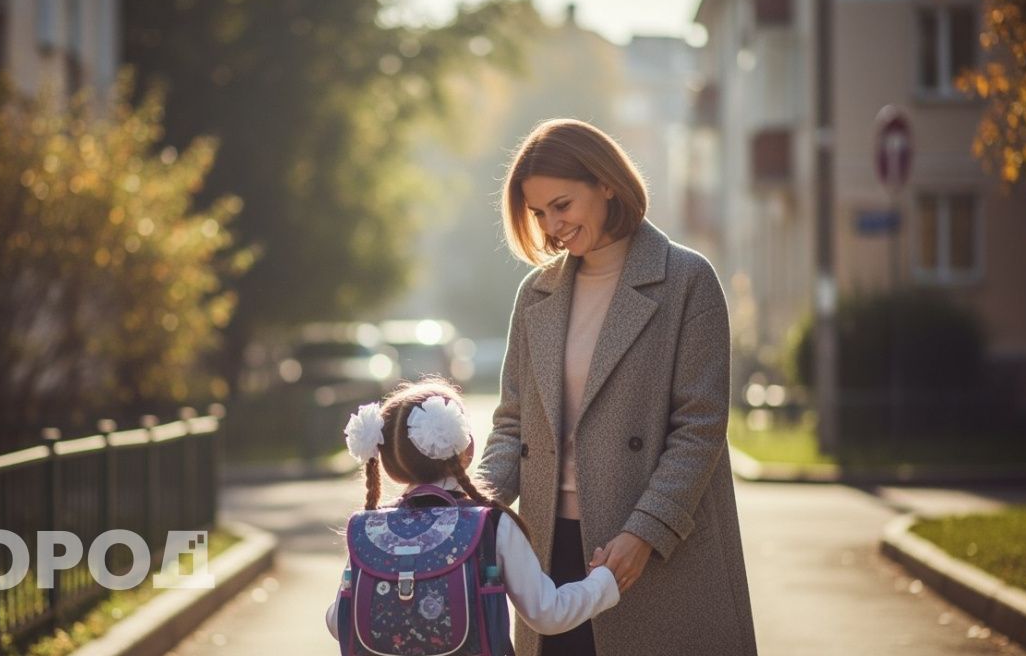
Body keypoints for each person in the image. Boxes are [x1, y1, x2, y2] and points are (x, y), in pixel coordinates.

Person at [476, 118, 758, 655]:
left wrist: (644, 534)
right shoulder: (536, 293)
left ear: (605, 183)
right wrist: (468, 503)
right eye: (538, 214)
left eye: (562, 205)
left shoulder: (686, 281)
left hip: (651, 551)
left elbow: (699, 428)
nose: (552, 226)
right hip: (547, 558)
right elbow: (512, 425)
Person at [325, 377, 621, 650]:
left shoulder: (371, 529)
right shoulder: (489, 525)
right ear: (467, 449)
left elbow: (337, 621)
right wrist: (605, 580)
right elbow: (548, 613)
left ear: (387, 461)